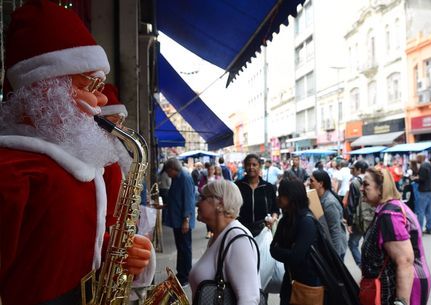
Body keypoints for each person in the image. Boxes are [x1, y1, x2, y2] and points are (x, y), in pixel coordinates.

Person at [0, 2, 152, 304]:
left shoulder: (87, 165)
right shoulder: (11, 172)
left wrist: (120, 253)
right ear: (44, 89)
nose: (100, 100)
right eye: (91, 84)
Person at [361, 168, 431, 305]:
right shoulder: (390, 207)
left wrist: (401, 301)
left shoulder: (389, 215)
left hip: (403, 286)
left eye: (366, 185)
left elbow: (404, 261)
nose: (361, 189)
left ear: (381, 188)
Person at [189, 179, 261, 305]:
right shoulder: (219, 236)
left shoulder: (237, 238)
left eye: (202, 198)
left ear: (220, 203)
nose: (197, 203)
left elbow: (249, 299)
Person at [270, 177, 323, 305]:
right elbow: (272, 249)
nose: (278, 197)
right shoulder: (285, 219)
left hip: (307, 286)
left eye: (281, 194)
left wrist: (280, 251)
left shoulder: (306, 221)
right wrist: (286, 252)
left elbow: (296, 257)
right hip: (289, 280)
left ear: (291, 196)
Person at [163, 157, 196, 286]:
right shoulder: (177, 178)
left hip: (183, 221)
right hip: (177, 220)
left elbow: (189, 200)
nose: (167, 174)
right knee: (181, 247)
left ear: (172, 169)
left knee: (185, 248)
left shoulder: (185, 178)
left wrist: (186, 220)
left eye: (168, 171)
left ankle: (186, 276)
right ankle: (181, 273)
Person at [236, 154, 279, 237]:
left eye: (254, 165)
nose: (251, 167)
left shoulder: (268, 187)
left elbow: (275, 209)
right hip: (242, 230)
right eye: (248, 164)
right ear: (244, 167)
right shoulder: (237, 186)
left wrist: (273, 219)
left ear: (259, 166)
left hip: (264, 231)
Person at [310, 170, 347, 260]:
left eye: (312, 181)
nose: (309, 183)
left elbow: (335, 230)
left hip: (336, 249)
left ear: (321, 184)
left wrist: (335, 257)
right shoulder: (320, 198)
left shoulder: (329, 203)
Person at [345, 160, 374, 268]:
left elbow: (351, 204)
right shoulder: (372, 180)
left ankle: (362, 265)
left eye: (354, 168)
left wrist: (349, 222)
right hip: (372, 217)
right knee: (368, 244)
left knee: (353, 243)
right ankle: (370, 266)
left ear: (359, 169)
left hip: (359, 219)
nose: (353, 170)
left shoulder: (355, 183)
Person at [415, 154, 431, 235]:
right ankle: (429, 228)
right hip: (430, 190)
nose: (416, 159)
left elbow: (422, 179)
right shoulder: (429, 166)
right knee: (428, 211)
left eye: (417, 158)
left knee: (421, 211)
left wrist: (416, 179)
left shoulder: (423, 167)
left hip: (424, 191)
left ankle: (419, 229)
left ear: (420, 158)